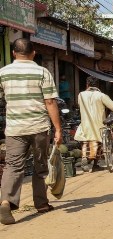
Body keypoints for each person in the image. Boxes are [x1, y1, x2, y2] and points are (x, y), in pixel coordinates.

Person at [0, 38, 63, 225]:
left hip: (14, 128)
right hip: (39, 127)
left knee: (13, 166)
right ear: (33, 53)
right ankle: (41, 204)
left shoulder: (3, 73)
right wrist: (58, 129)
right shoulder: (42, 72)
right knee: (40, 165)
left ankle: (6, 202)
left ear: (13, 53)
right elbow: (50, 101)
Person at [74, 76, 113, 172]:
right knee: (99, 142)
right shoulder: (101, 96)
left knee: (85, 141)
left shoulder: (80, 95)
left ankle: (84, 157)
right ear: (97, 85)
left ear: (87, 84)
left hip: (85, 124)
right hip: (98, 124)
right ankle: (95, 164)